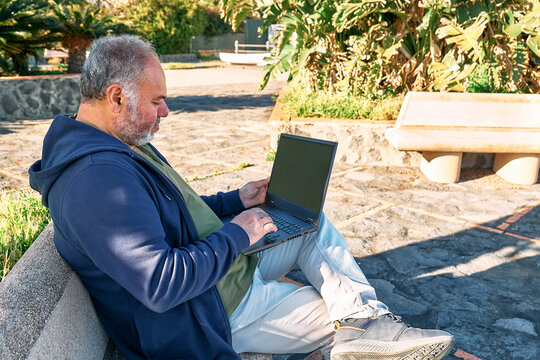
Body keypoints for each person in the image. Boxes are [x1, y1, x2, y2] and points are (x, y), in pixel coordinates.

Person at [29, 35, 454, 360]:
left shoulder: (118, 144)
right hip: (212, 311)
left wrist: (238, 201)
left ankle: (366, 321)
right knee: (340, 319)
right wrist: (237, 235)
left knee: (308, 222)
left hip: (221, 272)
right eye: (157, 101)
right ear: (117, 97)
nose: (165, 111)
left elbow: (177, 214)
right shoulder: (97, 180)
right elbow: (159, 285)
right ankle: (363, 329)